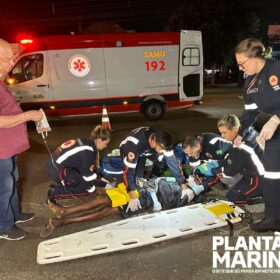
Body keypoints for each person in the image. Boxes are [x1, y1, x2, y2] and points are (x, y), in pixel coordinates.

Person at [234, 38, 280, 232]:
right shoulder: (249, 81)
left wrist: (277, 118)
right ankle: (273, 218)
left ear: (254, 57)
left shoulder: (276, 69)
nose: (240, 68)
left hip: (276, 123)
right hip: (274, 131)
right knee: (271, 173)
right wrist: (241, 134)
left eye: (242, 63)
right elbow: (250, 112)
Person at [41, 177, 185, 237]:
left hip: (144, 199)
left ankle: (65, 219)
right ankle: (64, 212)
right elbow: (157, 179)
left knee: (105, 210)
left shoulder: (182, 194)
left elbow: (161, 206)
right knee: (104, 199)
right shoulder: (178, 179)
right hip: (138, 190)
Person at [0, 38, 43, 240]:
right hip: (0, 151)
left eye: (12, 58)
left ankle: (14, 214)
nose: (12, 63)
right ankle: (4, 226)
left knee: (13, 180)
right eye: (7, 59)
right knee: (3, 187)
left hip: (7, 148)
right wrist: (28, 115)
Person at [119, 127, 190, 212]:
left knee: (165, 160)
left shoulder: (164, 141)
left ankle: (152, 176)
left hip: (148, 150)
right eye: (161, 148)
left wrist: (183, 184)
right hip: (131, 149)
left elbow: (173, 163)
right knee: (135, 181)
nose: (163, 150)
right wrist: (132, 194)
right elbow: (128, 172)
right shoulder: (133, 146)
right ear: (153, 141)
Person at [46, 125, 112, 202]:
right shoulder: (88, 152)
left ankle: (67, 183)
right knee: (88, 189)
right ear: (99, 140)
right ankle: (55, 192)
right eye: (105, 143)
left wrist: (99, 177)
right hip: (56, 171)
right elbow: (88, 178)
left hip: (53, 165)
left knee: (83, 178)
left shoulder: (85, 142)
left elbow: (85, 167)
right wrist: (105, 185)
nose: (106, 146)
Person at [214, 114, 264, 204]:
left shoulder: (239, 148)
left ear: (234, 129)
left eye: (224, 132)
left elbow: (228, 173)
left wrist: (213, 170)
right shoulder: (250, 130)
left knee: (231, 197)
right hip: (269, 167)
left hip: (260, 179)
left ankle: (263, 196)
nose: (222, 136)